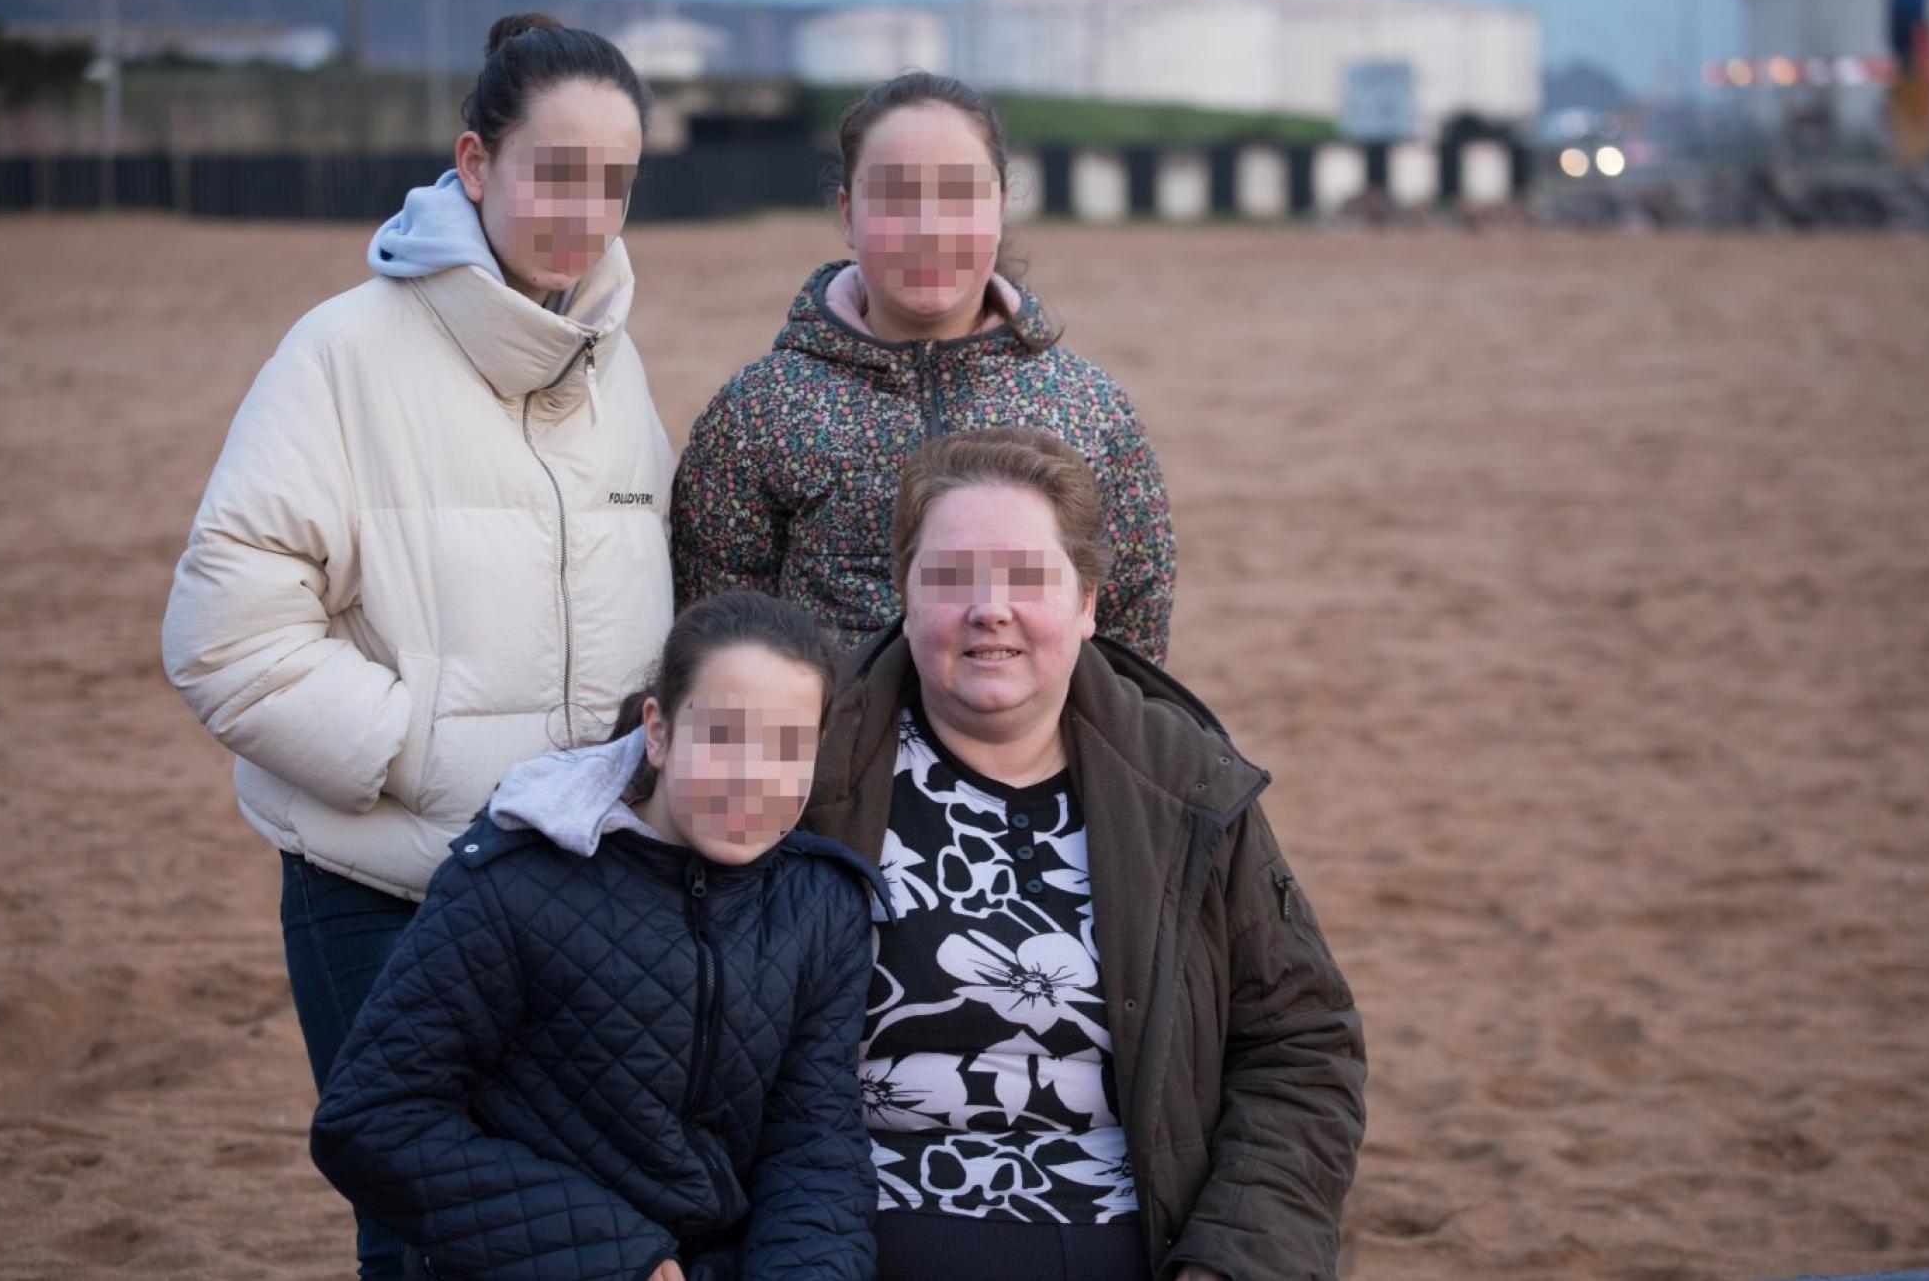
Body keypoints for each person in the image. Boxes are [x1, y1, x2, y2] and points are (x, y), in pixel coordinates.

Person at [159, 12, 673, 1279]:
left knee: (560, 1223)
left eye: (616, 180)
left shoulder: (614, 363)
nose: (586, 210)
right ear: (474, 161)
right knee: (425, 1232)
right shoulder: (342, 349)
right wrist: (418, 755)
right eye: (556, 170)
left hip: (578, 897)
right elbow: (224, 628)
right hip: (389, 891)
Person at [800, 428, 1366, 1281]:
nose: (989, 608)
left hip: (1140, 1243)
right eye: (951, 576)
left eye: (1027, 576)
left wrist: (1232, 1263)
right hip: (855, 1239)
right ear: (904, 595)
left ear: (1089, 602)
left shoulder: (1184, 787)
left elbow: (1302, 1047)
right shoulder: (799, 768)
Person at [311, 591, 885, 1281]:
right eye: (725, 736)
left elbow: (812, 1145)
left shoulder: (821, 903)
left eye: (785, 748)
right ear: (659, 730)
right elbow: (373, 1120)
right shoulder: (513, 882)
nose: (752, 779)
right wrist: (613, 1259)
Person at [670, 71, 1177, 665]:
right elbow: (720, 638)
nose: (929, 230)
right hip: (831, 753)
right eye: (895, 199)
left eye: (960, 196)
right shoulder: (758, 410)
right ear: (847, 214)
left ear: (1000, 206)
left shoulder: (1089, 405)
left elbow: (1131, 624)